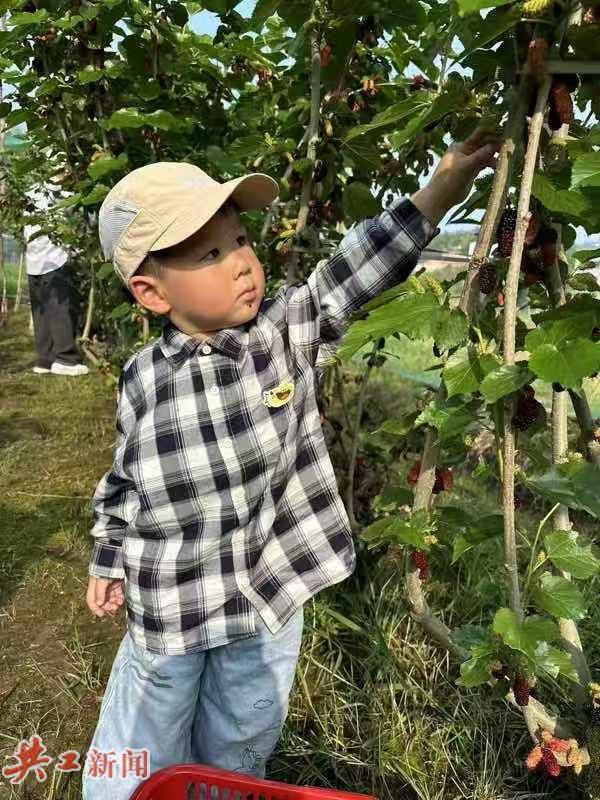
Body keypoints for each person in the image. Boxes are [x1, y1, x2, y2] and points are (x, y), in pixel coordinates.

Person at [83, 130, 498, 800]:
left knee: (242, 730)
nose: (242, 264)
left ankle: (225, 790)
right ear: (152, 293)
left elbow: (352, 271)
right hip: (172, 600)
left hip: (265, 592)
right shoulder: (142, 379)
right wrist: (108, 556)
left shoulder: (283, 333)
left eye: (240, 240)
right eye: (210, 254)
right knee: (147, 729)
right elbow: (124, 479)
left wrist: (440, 189)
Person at [24, 181, 89, 376]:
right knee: (60, 309)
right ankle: (66, 359)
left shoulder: (30, 192)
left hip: (34, 261)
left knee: (42, 313)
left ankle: (45, 359)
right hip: (54, 260)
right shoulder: (59, 194)